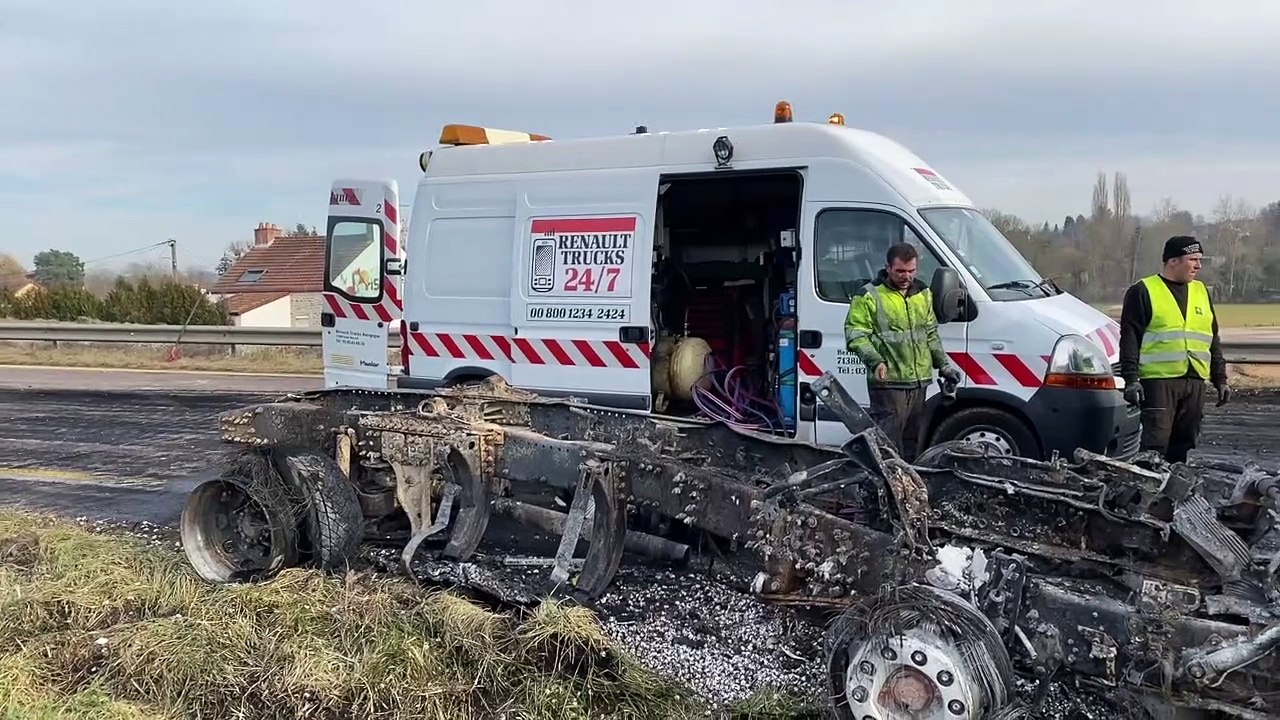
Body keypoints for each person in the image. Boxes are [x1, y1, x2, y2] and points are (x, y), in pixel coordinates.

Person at [844, 242, 962, 460]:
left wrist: (944, 366)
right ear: (888, 268)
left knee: (912, 442)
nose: (906, 276)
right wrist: (876, 361)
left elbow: (930, 334)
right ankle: (886, 489)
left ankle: (909, 486)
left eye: (911, 271)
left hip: (919, 382)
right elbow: (856, 335)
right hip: (889, 383)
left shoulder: (923, 294)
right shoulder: (869, 296)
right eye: (900, 271)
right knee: (888, 443)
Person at [1118, 235, 1230, 463]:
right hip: (1159, 382)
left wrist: (1220, 377)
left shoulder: (1201, 292)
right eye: (1193, 259)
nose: (1199, 265)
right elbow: (1129, 338)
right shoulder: (1143, 291)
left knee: (1183, 444)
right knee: (1154, 446)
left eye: (1200, 260)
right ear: (1173, 261)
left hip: (1195, 381)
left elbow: (1212, 338)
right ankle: (1146, 492)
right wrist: (1131, 379)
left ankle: (1174, 494)